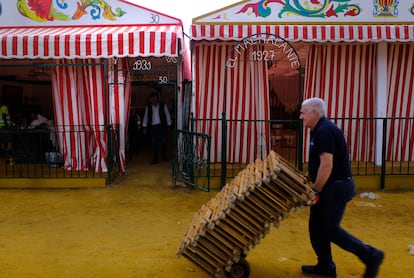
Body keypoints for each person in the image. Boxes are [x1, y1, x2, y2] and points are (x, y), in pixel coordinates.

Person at [299, 97, 384, 278]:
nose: (301, 117)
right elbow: (319, 161)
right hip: (329, 185)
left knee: (329, 229)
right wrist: (309, 175)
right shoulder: (316, 130)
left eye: (303, 113)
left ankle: (371, 255)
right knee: (316, 227)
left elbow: (327, 165)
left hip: (336, 187)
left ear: (315, 113)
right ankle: (325, 266)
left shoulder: (325, 130)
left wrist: (315, 190)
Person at [142, 92, 172, 164]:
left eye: (155, 98)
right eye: (152, 99)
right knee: (154, 143)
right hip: (153, 127)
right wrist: (144, 128)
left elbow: (167, 115)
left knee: (164, 141)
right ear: (150, 100)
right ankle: (155, 159)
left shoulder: (163, 105)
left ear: (157, 99)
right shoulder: (148, 107)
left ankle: (163, 153)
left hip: (162, 126)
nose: (153, 100)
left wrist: (169, 125)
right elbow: (145, 117)